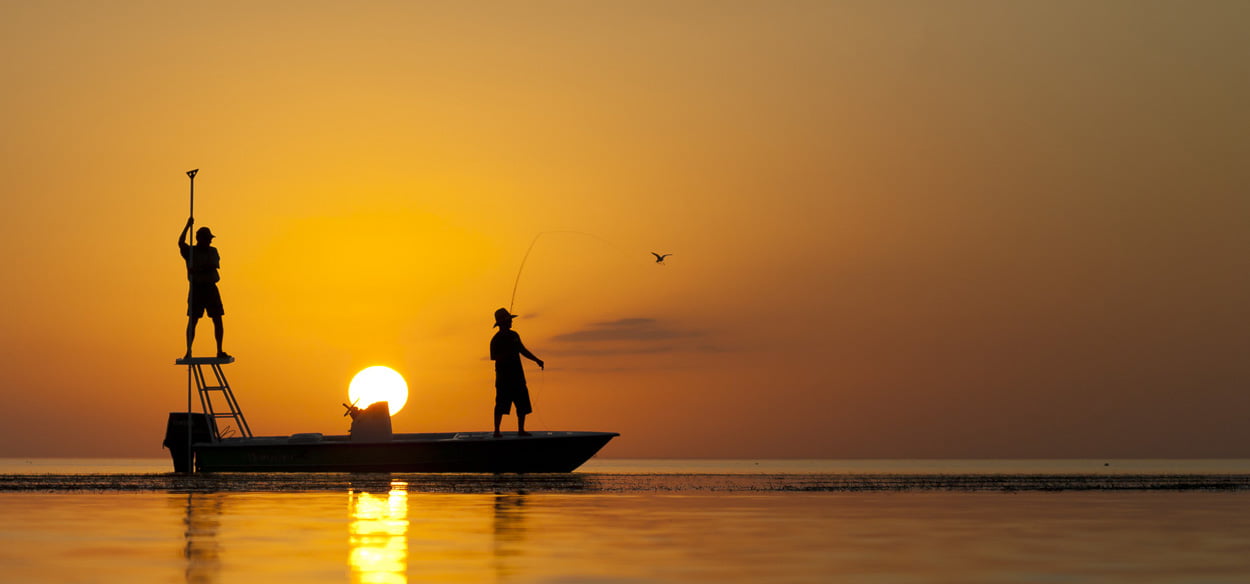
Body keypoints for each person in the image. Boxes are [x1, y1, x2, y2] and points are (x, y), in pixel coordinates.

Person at [180, 217, 230, 360]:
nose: (210, 241)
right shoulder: (191, 252)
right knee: (193, 320)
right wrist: (187, 226)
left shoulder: (213, 251)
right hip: (197, 289)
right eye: (207, 238)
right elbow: (180, 243)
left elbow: (212, 266)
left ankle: (219, 350)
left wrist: (197, 269)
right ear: (200, 239)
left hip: (210, 288)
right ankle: (188, 351)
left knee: (217, 318)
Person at [490, 308, 543, 437]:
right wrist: (508, 351)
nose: (511, 323)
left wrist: (536, 360)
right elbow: (495, 358)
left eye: (510, 320)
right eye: (508, 321)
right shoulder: (496, 340)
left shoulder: (514, 335)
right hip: (504, 378)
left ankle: (521, 430)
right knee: (501, 404)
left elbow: (522, 350)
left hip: (518, 376)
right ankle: (496, 431)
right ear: (502, 323)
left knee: (522, 403)